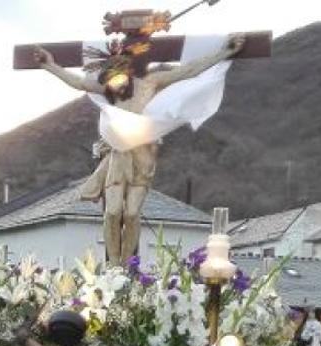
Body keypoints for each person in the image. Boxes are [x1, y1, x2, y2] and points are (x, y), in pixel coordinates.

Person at [33, 33, 244, 263]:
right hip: (118, 155)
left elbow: (190, 70)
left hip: (143, 155)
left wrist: (225, 53)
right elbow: (79, 83)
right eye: (110, 82)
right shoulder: (108, 90)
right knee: (112, 212)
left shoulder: (149, 83)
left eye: (118, 79)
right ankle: (114, 265)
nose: (115, 86)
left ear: (127, 71)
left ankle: (126, 266)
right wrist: (49, 65)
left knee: (132, 213)